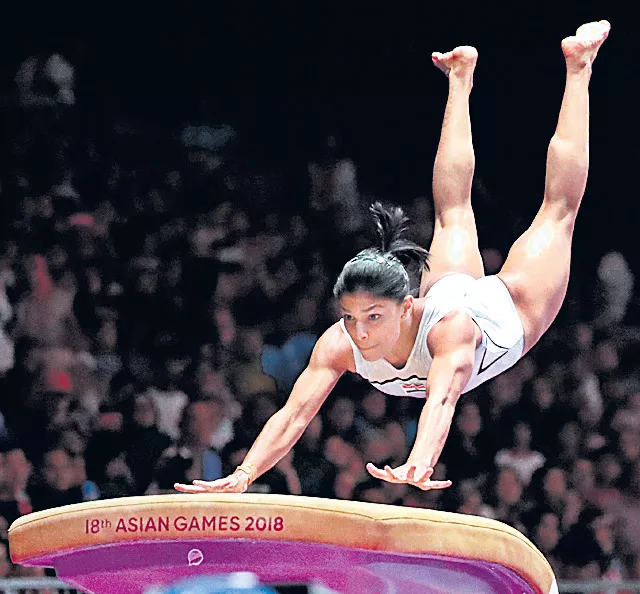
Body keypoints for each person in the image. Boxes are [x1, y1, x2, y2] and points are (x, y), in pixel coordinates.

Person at [175, 21, 610, 495]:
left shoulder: (450, 332)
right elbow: (294, 413)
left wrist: (419, 463)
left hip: (510, 313)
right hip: (450, 292)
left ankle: (579, 67)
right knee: (452, 211)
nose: (360, 332)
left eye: (373, 316)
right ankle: (460, 78)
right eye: (352, 317)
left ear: (406, 306)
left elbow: (442, 401)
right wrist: (243, 475)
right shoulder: (341, 343)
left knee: (558, 212)